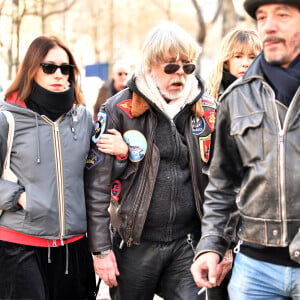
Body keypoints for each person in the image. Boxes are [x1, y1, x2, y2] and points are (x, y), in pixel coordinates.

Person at [84, 21, 217, 300]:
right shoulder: (118, 109)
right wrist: (101, 251)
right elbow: (96, 186)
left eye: (187, 66)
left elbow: (221, 180)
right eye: (170, 66)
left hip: (187, 244)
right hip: (134, 245)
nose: (180, 73)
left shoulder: (206, 110)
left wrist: (218, 243)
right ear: (150, 66)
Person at [0, 35, 126, 300]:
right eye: (49, 67)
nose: (59, 74)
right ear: (31, 69)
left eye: (65, 68)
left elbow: (94, 177)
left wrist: (122, 154)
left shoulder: (83, 119)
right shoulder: (7, 118)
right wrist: (18, 197)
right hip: (20, 246)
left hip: (73, 249)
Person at [191, 0, 300, 299]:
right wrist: (211, 244)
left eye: (282, 15)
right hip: (255, 270)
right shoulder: (237, 97)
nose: (269, 25)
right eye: (262, 16)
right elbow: (222, 183)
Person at [204, 28, 262, 300]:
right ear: (226, 60)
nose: (245, 63)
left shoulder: (268, 102)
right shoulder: (209, 105)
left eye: (252, 56)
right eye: (238, 56)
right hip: (218, 223)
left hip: (256, 227)